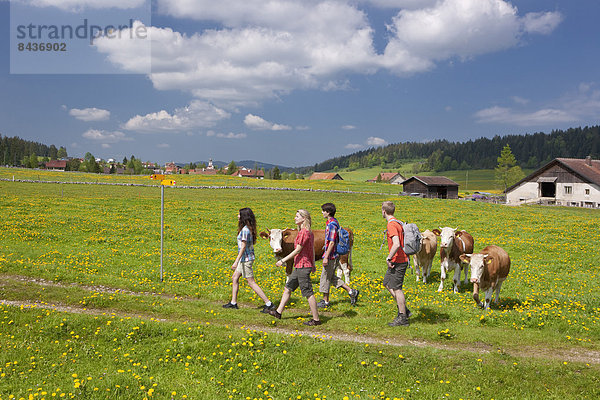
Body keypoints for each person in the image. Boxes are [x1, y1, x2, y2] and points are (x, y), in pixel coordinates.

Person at [268, 209, 321, 326]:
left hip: (303, 266)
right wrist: (313, 264)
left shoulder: (304, 233)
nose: (295, 218)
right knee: (288, 288)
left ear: (304, 218)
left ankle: (316, 319)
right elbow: (311, 249)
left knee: (308, 293)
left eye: (297, 216)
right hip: (300, 265)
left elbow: (298, 250)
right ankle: (278, 312)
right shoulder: (307, 232)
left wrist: (283, 260)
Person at [223, 207, 274, 313]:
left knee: (251, 282)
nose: (237, 216)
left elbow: (243, 247)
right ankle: (233, 303)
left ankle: (268, 304)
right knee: (235, 278)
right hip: (245, 259)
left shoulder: (245, 230)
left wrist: (236, 261)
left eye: (239, 214)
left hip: (245, 259)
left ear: (244, 217)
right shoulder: (248, 228)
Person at [317, 203, 359, 308]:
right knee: (331, 277)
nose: (322, 212)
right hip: (334, 254)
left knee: (325, 277)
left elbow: (331, 242)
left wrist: (326, 256)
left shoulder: (331, 224)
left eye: (323, 211)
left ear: (328, 212)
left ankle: (325, 301)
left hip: (331, 255)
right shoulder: (334, 222)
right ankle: (351, 291)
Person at [381, 201, 412, 326]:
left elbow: (397, 243)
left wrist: (389, 257)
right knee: (387, 283)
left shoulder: (392, 225)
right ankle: (404, 309)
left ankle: (402, 317)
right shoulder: (397, 222)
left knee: (397, 289)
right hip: (398, 260)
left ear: (384, 211)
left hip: (398, 260)